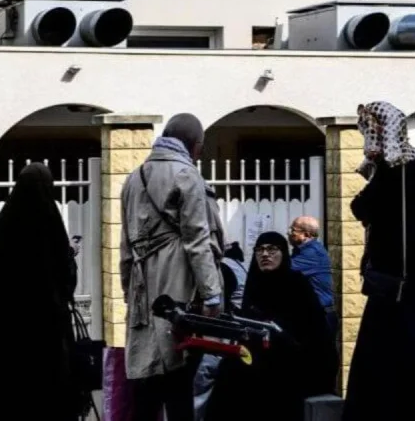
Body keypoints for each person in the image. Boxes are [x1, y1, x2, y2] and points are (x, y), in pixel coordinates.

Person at [0, 163, 80, 420]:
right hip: (44, 340)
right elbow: (66, 280)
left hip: (2, 340)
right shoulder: (49, 223)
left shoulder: (3, 229)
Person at [119, 113, 224, 421]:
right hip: (178, 281)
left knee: (146, 379)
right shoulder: (187, 175)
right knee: (178, 375)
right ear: (195, 145)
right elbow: (197, 239)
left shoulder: (133, 177)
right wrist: (211, 294)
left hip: (141, 287)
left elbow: (125, 246)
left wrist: (129, 290)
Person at [343, 101, 415, 421]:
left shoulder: (397, 170)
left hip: (397, 276)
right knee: (393, 349)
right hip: (399, 273)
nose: (371, 135)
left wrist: (374, 173)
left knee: (386, 350)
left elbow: (361, 207)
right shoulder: (405, 167)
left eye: (376, 128)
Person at [205, 232, 338, 421]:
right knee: (228, 375)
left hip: (297, 359)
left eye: (272, 249)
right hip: (260, 356)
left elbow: (314, 334)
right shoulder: (255, 283)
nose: (265, 254)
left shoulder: (296, 284)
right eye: (260, 250)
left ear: (283, 253)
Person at [193, 242, 249, 421]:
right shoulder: (242, 266)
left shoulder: (222, 269)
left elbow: (215, 309)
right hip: (234, 341)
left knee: (201, 393)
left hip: (218, 342)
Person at [288, 216, 337, 335]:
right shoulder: (302, 250)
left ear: (306, 235)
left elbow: (283, 272)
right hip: (314, 314)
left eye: (293, 230)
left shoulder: (312, 253)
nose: (289, 233)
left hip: (320, 317)